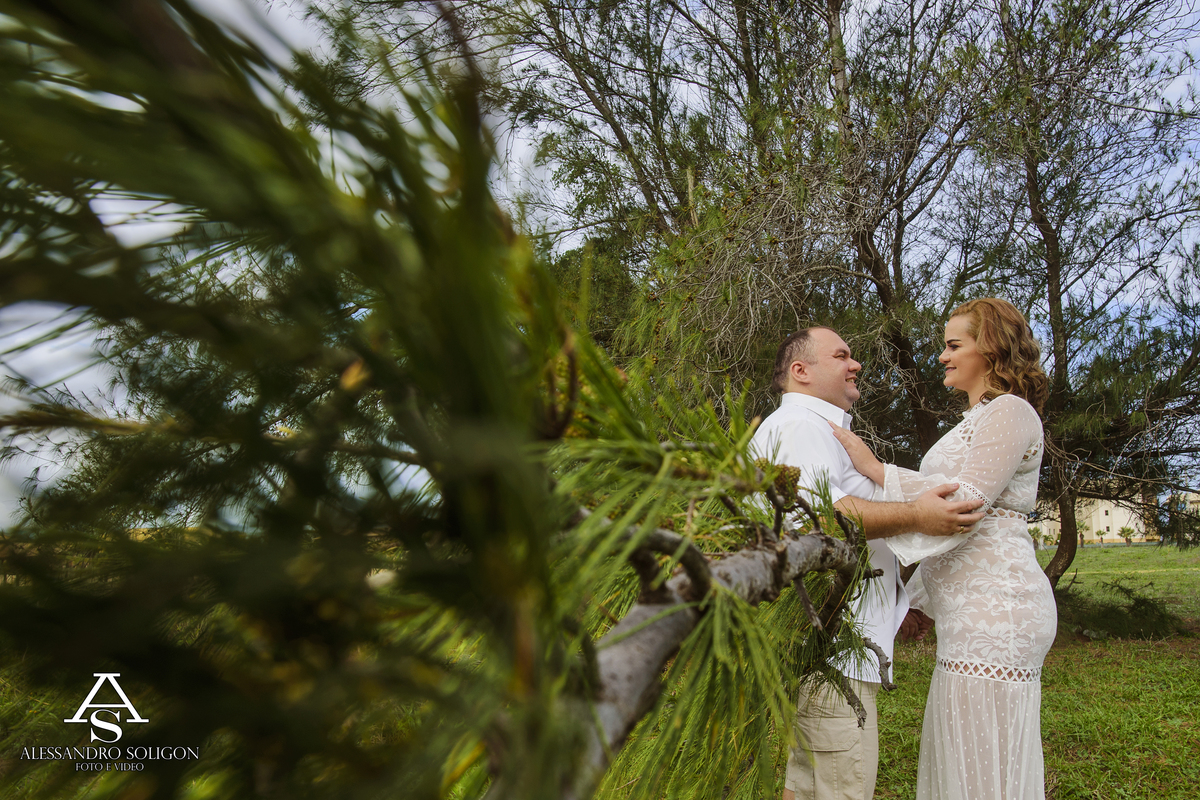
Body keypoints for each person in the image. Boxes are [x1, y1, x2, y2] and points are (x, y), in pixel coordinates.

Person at [830, 298, 1056, 800]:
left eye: (954, 345)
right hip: (969, 613)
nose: (942, 356)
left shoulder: (1010, 411)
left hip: (998, 610)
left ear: (991, 347)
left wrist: (877, 470)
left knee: (981, 757)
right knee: (962, 752)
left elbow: (968, 504)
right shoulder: (976, 419)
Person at [750, 326, 986, 800]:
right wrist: (918, 514)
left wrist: (897, 607)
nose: (855, 364)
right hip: (834, 648)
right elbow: (822, 518)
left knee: (809, 784)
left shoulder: (819, 429)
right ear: (801, 371)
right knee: (841, 788)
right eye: (841, 355)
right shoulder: (799, 425)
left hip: (834, 639)